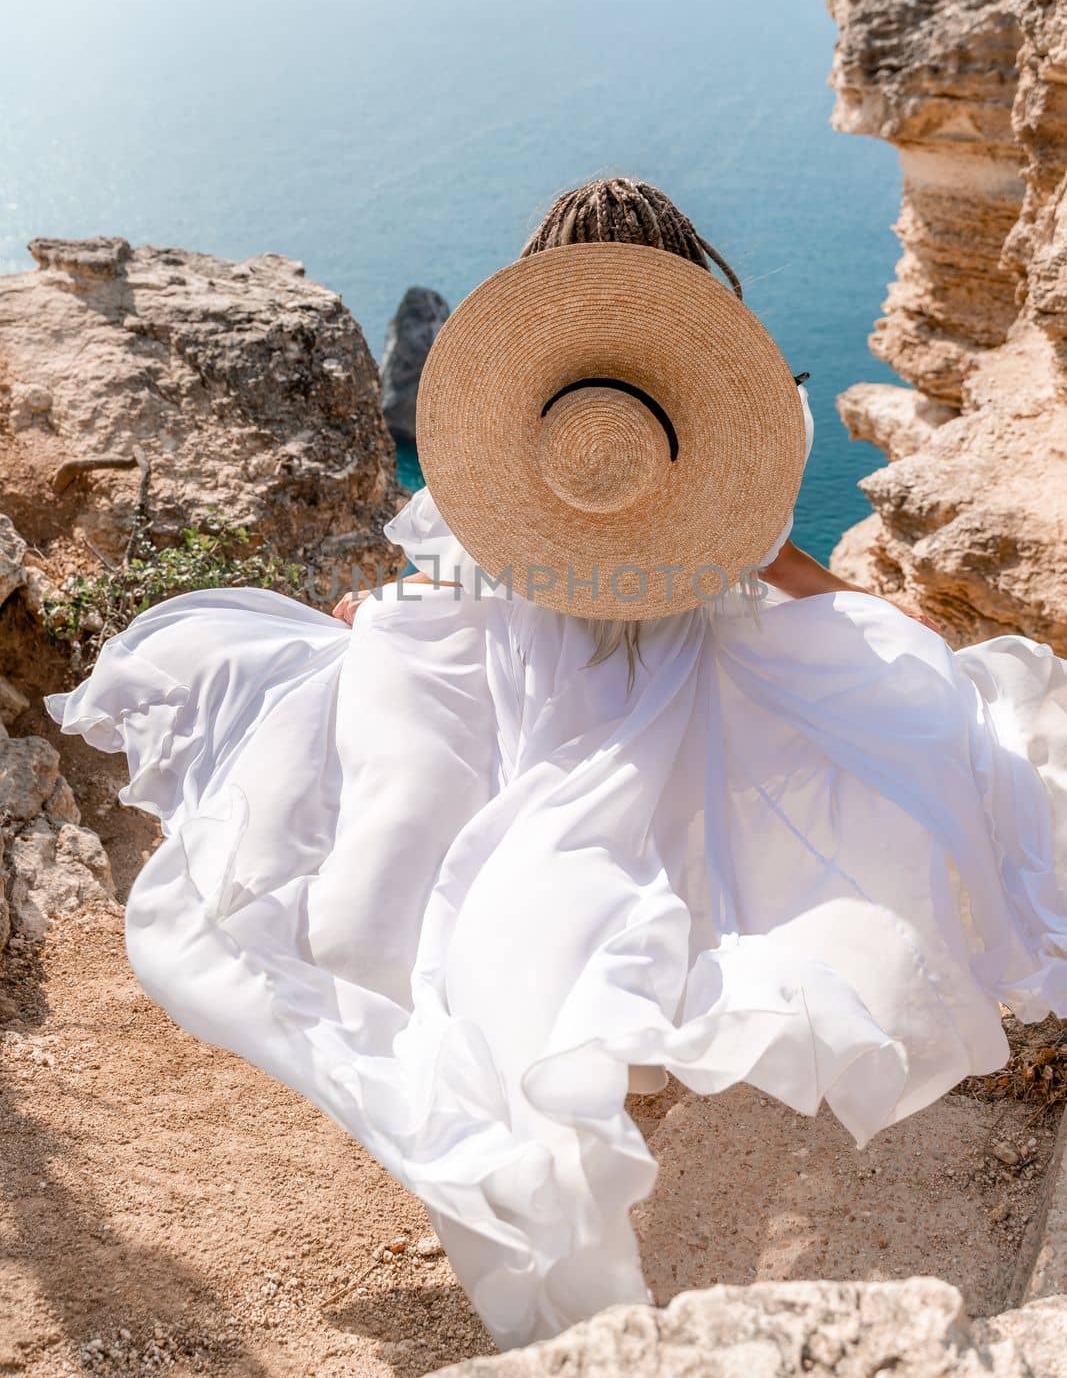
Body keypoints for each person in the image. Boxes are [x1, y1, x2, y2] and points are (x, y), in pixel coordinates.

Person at [47, 177, 1067, 1353]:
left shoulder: (525, 412)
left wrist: (386, 602)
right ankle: (614, 1057)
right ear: (684, 279)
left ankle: (584, 1064)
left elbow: (470, 550)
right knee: (654, 853)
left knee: (523, 869)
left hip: (527, 667)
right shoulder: (733, 413)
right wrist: (888, 636)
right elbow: (778, 561)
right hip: (680, 670)